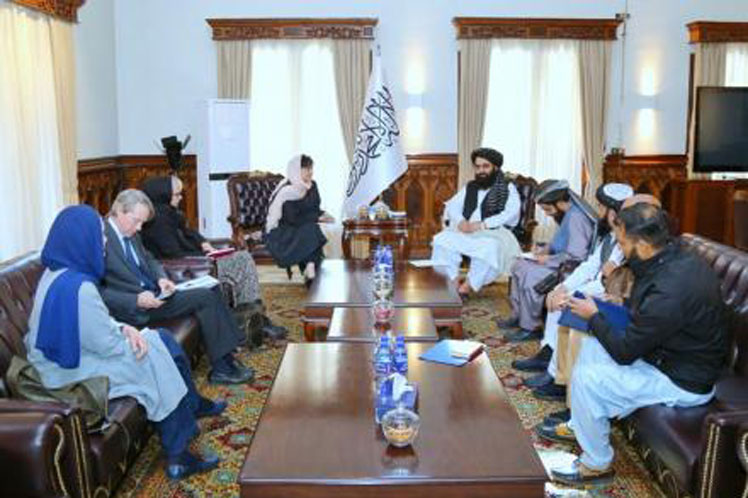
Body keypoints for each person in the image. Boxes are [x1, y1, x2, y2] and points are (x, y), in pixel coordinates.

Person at [25, 205, 225, 480]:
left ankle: (190, 408)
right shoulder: (80, 288)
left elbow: (92, 325)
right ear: (83, 239)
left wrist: (125, 327)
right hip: (67, 375)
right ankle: (178, 455)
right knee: (153, 355)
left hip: (64, 359)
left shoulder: (56, 273)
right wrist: (138, 338)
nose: (104, 241)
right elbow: (110, 347)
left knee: (162, 339)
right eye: (99, 235)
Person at [539, 203, 729, 486]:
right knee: (592, 346)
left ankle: (595, 465)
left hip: (683, 381)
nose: (620, 249)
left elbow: (625, 352)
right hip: (666, 356)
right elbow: (651, 315)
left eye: (622, 243)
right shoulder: (673, 256)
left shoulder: (672, 289)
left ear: (642, 244)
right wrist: (617, 304)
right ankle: (581, 424)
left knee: (588, 379)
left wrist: (594, 316)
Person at [100, 189, 253, 385]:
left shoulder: (130, 232)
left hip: (156, 295)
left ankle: (228, 356)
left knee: (212, 288)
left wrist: (161, 278)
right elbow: (98, 292)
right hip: (136, 309)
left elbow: (149, 259)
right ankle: (223, 368)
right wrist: (135, 300)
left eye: (142, 223)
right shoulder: (101, 238)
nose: (139, 228)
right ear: (119, 210)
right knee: (204, 298)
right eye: (136, 221)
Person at [514, 183, 634, 403]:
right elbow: (590, 265)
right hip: (596, 285)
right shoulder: (610, 236)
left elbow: (612, 279)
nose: (598, 211)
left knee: (566, 303)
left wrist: (572, 293)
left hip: (612, 293)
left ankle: (556, 377)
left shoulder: (629, 240)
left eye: (602, 207)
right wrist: (564, 287)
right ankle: (548, 353)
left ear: (613, 212)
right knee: (558, 295)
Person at [139, 175, 287, 341]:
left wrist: (203, 243)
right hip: (188, 269)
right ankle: (254, 321)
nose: (180, 198)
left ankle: (255, 320)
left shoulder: (170, 213)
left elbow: (189, 233)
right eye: (177, 194)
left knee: (242, 258)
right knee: (243, 260)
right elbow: (174, 254)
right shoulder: (158, 221)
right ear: (163, 194)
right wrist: (207, 256)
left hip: (198, 260)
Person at [498, 179, 597, 342]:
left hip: (567, 268)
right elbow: (562, 241)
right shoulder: (568, 213)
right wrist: (546, 249)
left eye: (548, 209)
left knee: (529, 273)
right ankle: (519, 315)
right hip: (557, 261)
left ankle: (531, 327)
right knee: (517, 265)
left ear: (559, 203)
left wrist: (548, 259)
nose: (547, 214)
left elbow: (577, 256)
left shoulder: (576, 218)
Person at [431, 147, 522, 298]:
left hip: (493, 231)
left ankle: (467, 286)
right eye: (478, 166)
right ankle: (452, 281)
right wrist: (460, 221)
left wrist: (482, 224)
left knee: (489, 248)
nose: (481, 171)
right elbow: (453, 205)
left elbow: (510, 212)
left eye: (485, 166)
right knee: (442, 240)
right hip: (467, 230)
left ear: (496, 167)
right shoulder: (471, 186)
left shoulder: (507, 187)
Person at [265, 154, 333, 285]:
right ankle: (311, 268)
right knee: (312, 230)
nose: (310, 172)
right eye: (306, 168)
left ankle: (310, 268)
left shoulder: (312, 185)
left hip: (304, 225)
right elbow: (291, 218)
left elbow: (314, 207)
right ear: (296, 170)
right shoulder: (286, 190)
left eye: (311, 168)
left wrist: (324, 214)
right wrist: (317, 217)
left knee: (311, 230)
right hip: (285, 229)